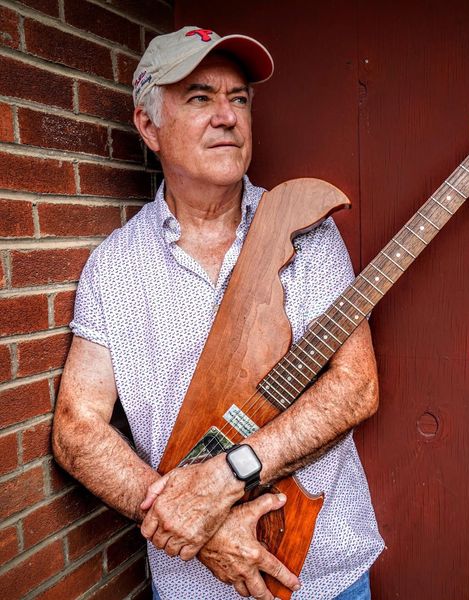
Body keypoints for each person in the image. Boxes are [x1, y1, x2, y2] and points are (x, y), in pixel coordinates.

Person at [52, 26, 384, 600]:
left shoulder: (304, 228)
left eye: (239, 99)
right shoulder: (116, 266)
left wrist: (227, 475)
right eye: (200, 97)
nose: (227, 116)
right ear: (149, 126)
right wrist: (200, 528)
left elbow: (356, 386)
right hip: (193, 585)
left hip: (327, 573)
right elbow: (77, 427)